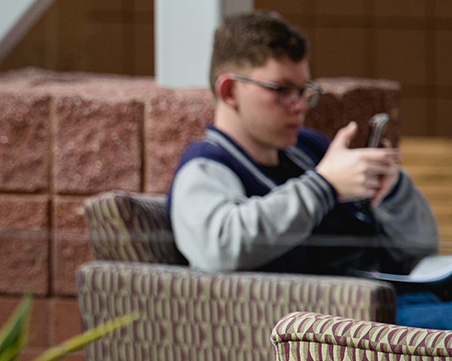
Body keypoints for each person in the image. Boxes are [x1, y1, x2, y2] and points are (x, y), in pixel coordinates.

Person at [167, 11, 451, 329]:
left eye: (304, 90)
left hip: (400, 299)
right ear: (229, 91)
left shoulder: (308, 149)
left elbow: (420, 248)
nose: (299, 104)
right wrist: (324, 186)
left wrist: (393, 191)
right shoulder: (206, 167)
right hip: (332, 331)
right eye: (281, 90)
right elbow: (219, 249)